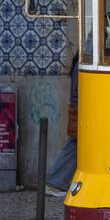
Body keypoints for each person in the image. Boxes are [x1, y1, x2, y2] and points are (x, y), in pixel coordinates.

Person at [46, 51, 79, 197]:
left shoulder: (78, 65)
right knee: (74, 145)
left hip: (79, 110)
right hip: (81, 112)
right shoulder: (81, 66)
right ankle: (55, 183)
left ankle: (57, 182)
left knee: (75, 145)